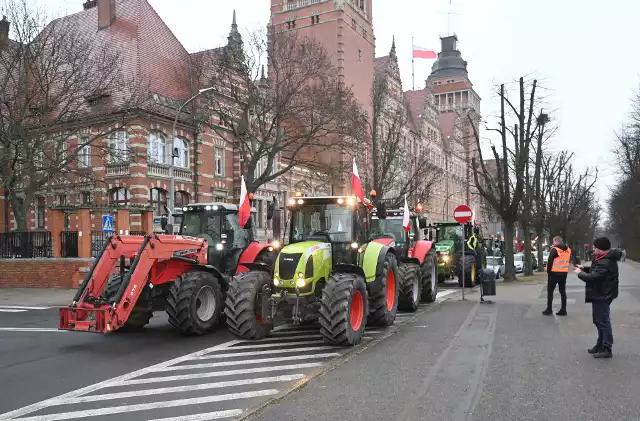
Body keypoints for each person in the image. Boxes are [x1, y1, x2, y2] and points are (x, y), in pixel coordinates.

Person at [573, 237, 620, 358]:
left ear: (601, 249)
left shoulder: (606, 261)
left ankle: (607, 347)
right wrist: (585, 268)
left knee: (603, 321)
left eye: (595, 247)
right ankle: (600, 344)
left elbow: (593, 277)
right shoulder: (603, 258)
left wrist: (580, 273)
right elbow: (596, 270)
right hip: (600, 293)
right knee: (597, 320)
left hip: (603, 294)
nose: (593, 249)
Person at [542, 236, 572, 316]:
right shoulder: (568, 250)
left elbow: (550, 261)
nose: (553, 243)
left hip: (554, 273)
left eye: (554, 241)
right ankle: (563, 310)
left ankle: (549, 309)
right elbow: (568, 260)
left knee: (550, 291)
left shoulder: (555, 250)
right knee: (562, 292)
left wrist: (548, 271)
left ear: (556, 241)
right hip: (564, 273)